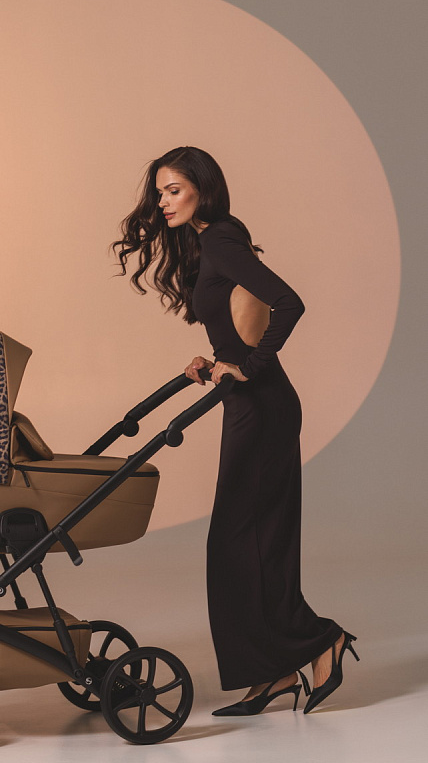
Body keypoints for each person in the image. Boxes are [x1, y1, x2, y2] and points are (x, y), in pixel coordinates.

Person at [113, 146, 359, 715]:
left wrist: (249, 366)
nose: (162, 201)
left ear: (202, 188)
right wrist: (214, 360)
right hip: (249, 405)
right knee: (247, 543)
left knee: (241, 543)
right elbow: (239, 321)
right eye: (159, 192)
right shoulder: (212, 241)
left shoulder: (221, 239)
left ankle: (322, 640)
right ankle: (272, 673)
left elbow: (288, 303)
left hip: (263, 407)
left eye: (173, 190)